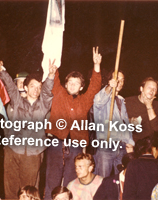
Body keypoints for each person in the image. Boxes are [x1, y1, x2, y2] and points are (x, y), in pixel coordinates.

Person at [0, 59, 57, 199]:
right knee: (10, 187)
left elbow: (47, 92)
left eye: (39, 87)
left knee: (29, 191)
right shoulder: (17, 101)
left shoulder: (43, 105)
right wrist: (1, 69)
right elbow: (10, 86)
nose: (36, 90)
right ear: (26, 88)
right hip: (13, 150)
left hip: (32, 153)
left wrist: (51, 75)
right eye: (33, 86)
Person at [44, 47, 102, 199]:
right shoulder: (59, 93)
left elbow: (95, 87)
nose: (72, 85)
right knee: (52, 181)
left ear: (81, 87)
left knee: (70, 183)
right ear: (66, 84)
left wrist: (96, 66)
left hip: (76, 146)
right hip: (56, 143)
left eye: (76, 83)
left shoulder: (85, 100)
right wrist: (53, 67)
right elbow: (54, 79)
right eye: (70, 82)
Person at [93, 70, 135, 177]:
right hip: (106, 145)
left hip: (121, 147)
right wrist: (109, 87)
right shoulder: (103, 98)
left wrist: (129, 143)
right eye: (117, 79)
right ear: (110, 80)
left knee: (120, 180)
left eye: (122, 80)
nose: (120, 83)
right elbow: (98, 101)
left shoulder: (121, 100)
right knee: (103, 180)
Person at [125, 77, 158, 142]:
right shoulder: (127, 102)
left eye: (154, 89)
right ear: (141, 89)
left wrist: (149, 105)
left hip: (147, 145)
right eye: (149, 87)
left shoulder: (157, 105)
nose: (152, 90)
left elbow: (157, 128)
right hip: (129, 143)